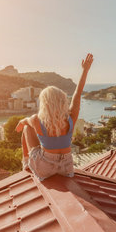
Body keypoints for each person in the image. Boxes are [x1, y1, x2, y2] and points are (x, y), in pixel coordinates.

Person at [16, 53, 93, 181]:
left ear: (44, 103)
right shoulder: (71, 118)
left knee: (26, 128)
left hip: (44, 169)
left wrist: (20, 122)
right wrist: (85, 70)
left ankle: (26, 165)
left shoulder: (36, 120)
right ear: (63, 101)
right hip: (67, 169)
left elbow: (25, 122)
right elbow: (77, 94)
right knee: (28, 127)